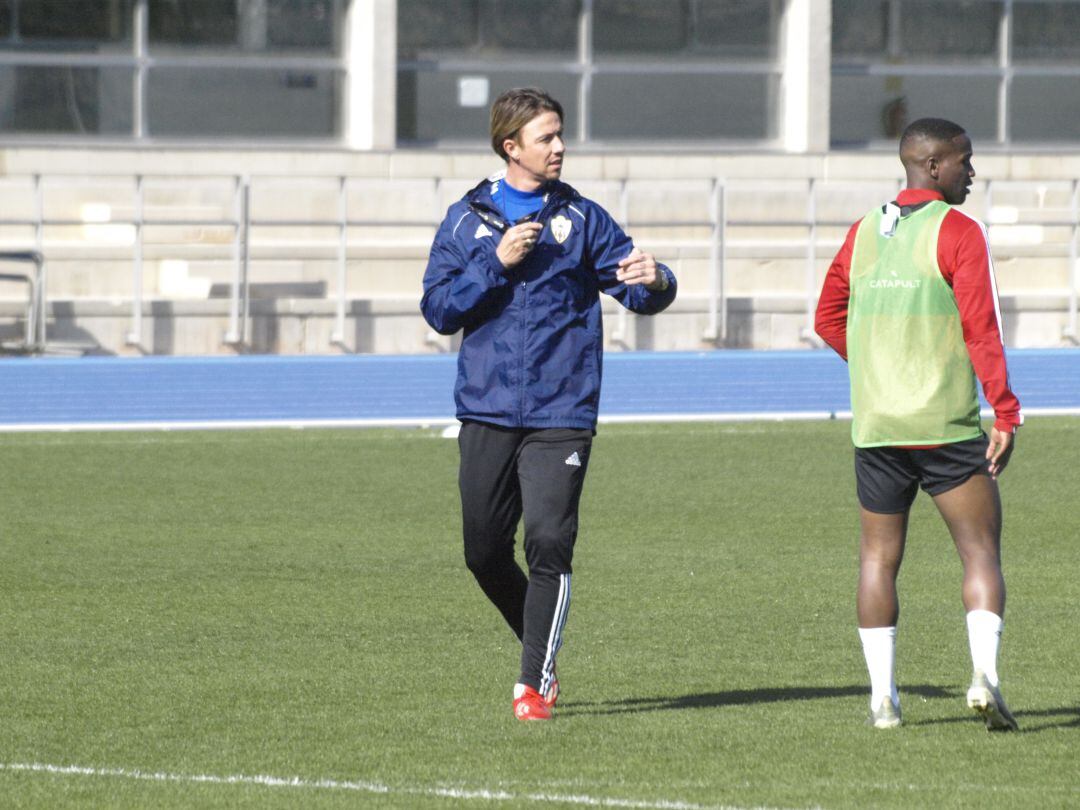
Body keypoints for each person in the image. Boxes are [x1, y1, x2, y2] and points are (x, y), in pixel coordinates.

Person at [420, 87, 676, 721]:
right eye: (546, 137)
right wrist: (496, 265)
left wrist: (657, 279)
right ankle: (541, 643)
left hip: (562, 412)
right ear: (511, 147)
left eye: (561, 135)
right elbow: (439, 310)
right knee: (482, 550)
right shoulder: (466, 219)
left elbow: (639, 289)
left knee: (548, 541)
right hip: (486, 408)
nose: (559, 147)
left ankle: (533, 682)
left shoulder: (583, 218)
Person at [815, 117, 1022, 731]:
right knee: (980, 550)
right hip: (944, 424)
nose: (973, 171)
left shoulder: (863, 230)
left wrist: (881, 365)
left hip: (877, 425)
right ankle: (985, 674)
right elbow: (982, 328)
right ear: (933, 166)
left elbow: (828, 316)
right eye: (965, 160)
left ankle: (883, 700)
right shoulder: (959, 230)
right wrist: (1004, 410)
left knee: (878, 560)